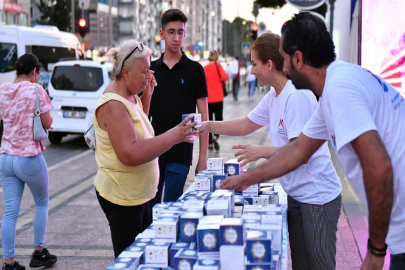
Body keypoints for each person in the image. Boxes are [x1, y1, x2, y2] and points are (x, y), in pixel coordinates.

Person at [220, 12, 405, 270]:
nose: (282, 68)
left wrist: (375, 249)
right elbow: (298, 150)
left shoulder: (339, 90)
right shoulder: (333, 87)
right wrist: (246, 179)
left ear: (297, 59)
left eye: (283, 60)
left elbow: (379, 167)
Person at [199, 32, 342, 270]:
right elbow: (245, 124)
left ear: (269, 64)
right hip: (296, 195)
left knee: (320, 265)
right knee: (302, 264)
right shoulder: (274, 95)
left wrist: (262, 151)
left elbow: (299, 153)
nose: (251, 71)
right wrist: (207, 125)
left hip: (318, 197)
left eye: (254, 64)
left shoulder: (297, 96)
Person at [94, 40, 197, 258]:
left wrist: (146, 97)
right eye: (144, 71)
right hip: (123, 197)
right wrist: (174, 136)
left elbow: (140, 128)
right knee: (130, 259)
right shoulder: (113, 104)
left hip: (138, 196)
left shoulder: (129, 96)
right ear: (126, 72)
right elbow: (130, 153)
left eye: (149, 70)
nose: (149, 76)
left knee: (144, 256)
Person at [0, 54, 57, 270]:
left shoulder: (3, 89)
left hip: (5, 158)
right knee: (41, 202)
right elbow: (48, 122)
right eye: (38, 73)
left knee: (10, 211)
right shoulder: (36, 90)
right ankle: (38, 252)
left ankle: (9, 263)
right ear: (34, 71)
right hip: (28, 158)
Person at [148, 9, 208, 206]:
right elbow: (142, 113)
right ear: (162, 33)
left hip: (181, 153)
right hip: (153, 151)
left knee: (170, 210)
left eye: (180, 32)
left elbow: (204, 118)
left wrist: (203, 158)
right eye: (171, 32)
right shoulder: (151, 70)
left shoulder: (195, 70)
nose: (176, 37)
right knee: (150, 210)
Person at [203, 50, 228, 151]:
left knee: (208, 120)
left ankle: (209, 143)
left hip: (207, 98)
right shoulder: (218, 66)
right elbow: (225, 77)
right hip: (218, 97)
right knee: (218, 119)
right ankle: (215, 137)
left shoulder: (204, 68)